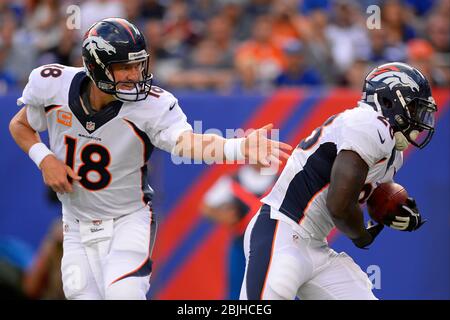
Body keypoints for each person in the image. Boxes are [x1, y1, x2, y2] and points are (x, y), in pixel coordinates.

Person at [9, 18, 292, 300]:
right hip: (76, 223)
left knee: (125, 294)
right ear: (96, 68)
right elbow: (20, 125)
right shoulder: (52, 84)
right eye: (124, 67)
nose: (134, 75)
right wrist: (44, 158)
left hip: (128, 219)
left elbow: (186, 142)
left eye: (138, 65)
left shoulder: (151, 105)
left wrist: (238, 147)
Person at [240, 62, 435, 300]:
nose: (419, 118)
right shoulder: (368, 123)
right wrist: (361, 236)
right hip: (281, 231)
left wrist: (394, 207)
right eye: (415, 108)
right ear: (389, 101)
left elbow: (368, 194)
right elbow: (339, 206)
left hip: (316, 247)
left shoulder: (393, 153)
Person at [201, 164, 277, 299]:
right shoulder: (233, 179)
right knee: (237, 291)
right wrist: (223, 216)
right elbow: (206, 207)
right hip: (240, 246)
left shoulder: (280, 179)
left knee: (278, 289)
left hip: (274, 248)